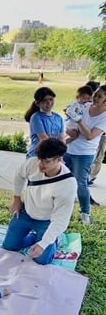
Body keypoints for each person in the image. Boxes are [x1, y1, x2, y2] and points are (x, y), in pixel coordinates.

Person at [2, 138, 77, 264]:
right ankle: (35, 237)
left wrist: (44, 244)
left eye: (46, 161)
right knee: (9, 246)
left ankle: (54, 239)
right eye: (40, 159)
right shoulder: (32, 163)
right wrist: (17, 199)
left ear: (59, 160)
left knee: (42, 259)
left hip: (47, 221)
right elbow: (18, 176)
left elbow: (61, 220)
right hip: (26, 212)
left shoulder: (68, 185)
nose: (41, 165)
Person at [64, 85, 106, 225]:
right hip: (68, 149)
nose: (94, 98)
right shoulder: (85, 106)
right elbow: (69, 114)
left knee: (80, 183)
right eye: (95, 94)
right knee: (63, 181)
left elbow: (89, 136)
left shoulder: (105, 117)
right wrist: (70, 116)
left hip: (84, 154)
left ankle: (85, 214)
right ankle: (62, 210)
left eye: (100, 96)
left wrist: (79, 121)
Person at [24, 87, 65, 158]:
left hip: (53, 157)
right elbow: (44, 140)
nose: (49, 102)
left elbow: (62, 139)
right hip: (37, 157)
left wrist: (60, 156)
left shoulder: (59, 117)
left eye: (51, 99)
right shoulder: (36, 117)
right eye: (44, 100)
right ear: (37, 103)